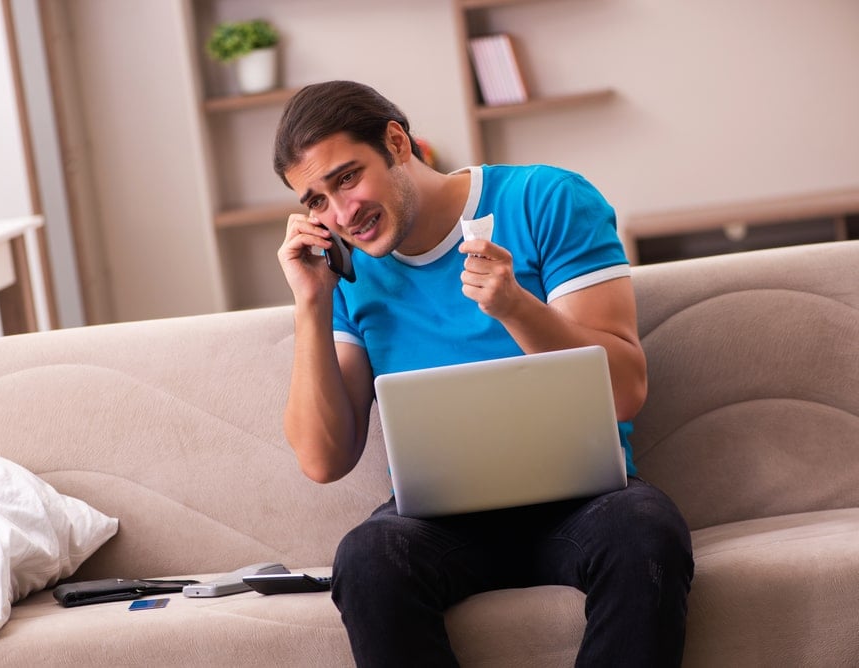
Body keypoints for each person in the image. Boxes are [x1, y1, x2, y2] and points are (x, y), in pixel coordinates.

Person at [273, 80, 694, 667]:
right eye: (315, 200)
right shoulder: (347, 275)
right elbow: (324, 460)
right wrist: (311, 303)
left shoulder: (547, 199)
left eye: (347, 177)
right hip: (439, 524)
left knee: (645, 532)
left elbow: (626, 390)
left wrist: (516, 307)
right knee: (368, 556)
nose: (342, 213)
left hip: (587, 502)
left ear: (397, 143)